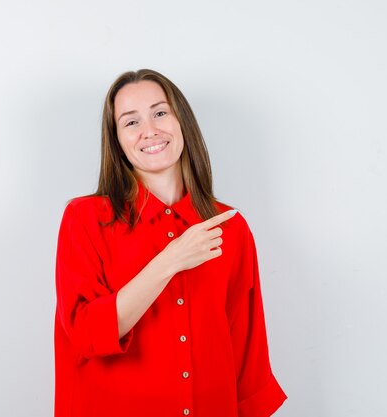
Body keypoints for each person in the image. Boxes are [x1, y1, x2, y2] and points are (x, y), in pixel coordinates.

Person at [53, 69, 287, 417]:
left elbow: (247, 353)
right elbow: (86, 334)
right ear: (117, 140)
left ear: (182, 122)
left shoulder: (231, 227)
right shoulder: (85, 219)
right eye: (131, 122)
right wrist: (169, 261)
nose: (150, 130)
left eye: (160, 112)